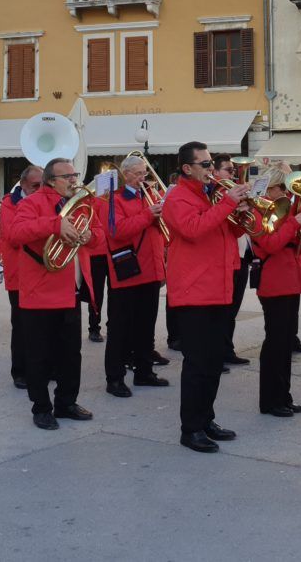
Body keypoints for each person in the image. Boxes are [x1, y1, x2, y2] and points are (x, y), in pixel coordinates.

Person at [161, 141, 251, 453]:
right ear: (187, 168)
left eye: (212, 163)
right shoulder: (178, 197)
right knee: (198, 364)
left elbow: (228, 234)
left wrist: (241, 214)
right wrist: (226, 204)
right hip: (194, 292)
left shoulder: (208, 194)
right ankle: (191, 428)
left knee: (213, 363)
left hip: (218, 287)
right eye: (205, 164)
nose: (211, 169)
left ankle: (206, 418)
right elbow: (194, 229)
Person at [6, 157, 96, 430]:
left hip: (70, 290)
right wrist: (54, 225)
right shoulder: (31, 203)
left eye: (75, 174)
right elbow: (15, 234)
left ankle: (66, 403)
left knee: (71, 353)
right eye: (67, 176)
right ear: (50, 181)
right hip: (39, 292)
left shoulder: (82, 204)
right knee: (38, 355)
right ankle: (41, 408)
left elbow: (101, 235)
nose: (73, 180)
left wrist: (90, 235)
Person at [250, 167, 301, 417]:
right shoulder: (258, 212)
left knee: (286, 341)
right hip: (274, 281)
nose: (287, 196)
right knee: (275, 343)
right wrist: (292, 223)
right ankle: (270, 400)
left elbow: (294, 247)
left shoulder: (285, 210)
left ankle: (283, 395)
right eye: (283, 190)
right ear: (272, 189)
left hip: (289, 278)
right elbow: (269, 244)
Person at [105, 154, 169, 398]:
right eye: (139, 174)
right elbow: (116, 230)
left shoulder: (151, 196)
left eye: (145, 173)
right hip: (128, 271)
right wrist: (147, 215)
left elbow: (160, 233)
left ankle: (144, 372)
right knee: (120, 329)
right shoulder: (115, 198)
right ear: (126, 175)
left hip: (150, 271)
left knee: (146, 326)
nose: (144, 178)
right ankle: (115, 378)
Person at [0, 165, 42, 390]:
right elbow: (13, 236)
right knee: (21, 325)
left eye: (43, 184)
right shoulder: (9, 203)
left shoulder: (46, 199)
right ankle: (20, 371)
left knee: (43, 324)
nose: (40, 189)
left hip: (41, 271)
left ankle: (43, 366)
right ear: (23, 184)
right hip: (19, 273)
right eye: (35, 185)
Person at [213, 154, 251, 367]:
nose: (233, 173)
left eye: (233, 170)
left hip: (241, 256)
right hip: (227, 258)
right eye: (228, 170)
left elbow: (240, 229)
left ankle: (227, 350)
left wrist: (248, 209)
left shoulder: (235, 193)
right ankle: (219, 352)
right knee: (223, 311)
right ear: (216, 173)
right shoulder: (217, 195)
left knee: (233, 308)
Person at [78, 187, 110, 344]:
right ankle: (94, 327)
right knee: (96, 293)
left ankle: (113, 325)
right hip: (97, 252)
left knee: (116, 294)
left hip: (115, 250)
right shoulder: (92, 201)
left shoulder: (117, 199)